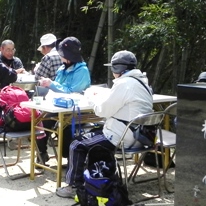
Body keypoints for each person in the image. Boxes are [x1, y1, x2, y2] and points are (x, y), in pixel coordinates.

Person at [56, 50, 153, 198]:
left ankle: (73, 187)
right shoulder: (142, 83)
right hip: (141, 137)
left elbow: (102, 111)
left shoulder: (124, 84)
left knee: (76, 144)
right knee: (94, 134)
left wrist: (91, 98)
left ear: (117, 69)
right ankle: (96, 178)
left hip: (122, 137)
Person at [36, 36, 91, 162]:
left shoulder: (82, 71)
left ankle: (69, 157)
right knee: (41, 120)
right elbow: (58, 89)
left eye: (62, 54)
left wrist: (51, 84)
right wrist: (49, 85)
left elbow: (72, 93)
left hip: (77, 110)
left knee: (64, 127)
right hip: (59, 108)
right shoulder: (62, 69)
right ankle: (41, 153)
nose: (60, 57)